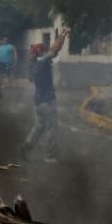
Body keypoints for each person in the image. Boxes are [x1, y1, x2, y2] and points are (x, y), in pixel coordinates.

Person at [23, 28, 68, 161]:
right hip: (47, 101)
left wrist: (60, 37)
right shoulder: (42, 62)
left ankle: (26, 147)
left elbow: (54, 50)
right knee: (51, 128)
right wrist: (63, 35)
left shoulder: (34, 64)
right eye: (45, 50)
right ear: (41, 53)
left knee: (39, 127)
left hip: (38, 102)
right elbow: (54, 50)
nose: (48, 52)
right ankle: (50, 156)